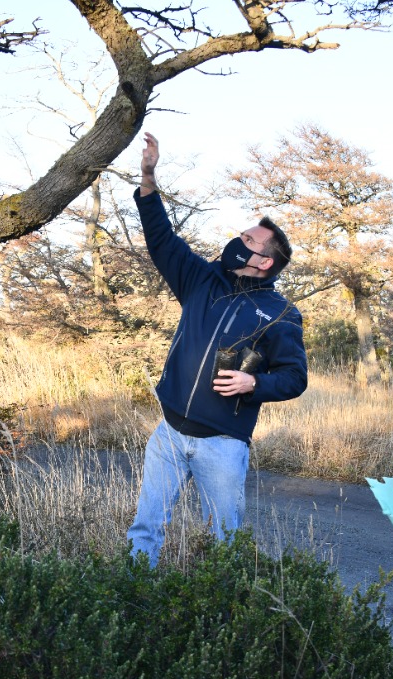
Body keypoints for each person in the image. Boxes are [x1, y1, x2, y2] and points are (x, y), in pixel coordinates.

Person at [127, 132, 307, 566]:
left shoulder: (281, 313)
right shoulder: (202, 279)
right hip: (169, 433)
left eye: (248, 239)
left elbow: (295, 377)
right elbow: (162, 239)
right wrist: (149, 179)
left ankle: (222, 620)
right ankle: (133, 601)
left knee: (225, 542)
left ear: (265, 261)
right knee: (146, 527)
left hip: (224, 445)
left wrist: (253, 382)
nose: (236, 240)